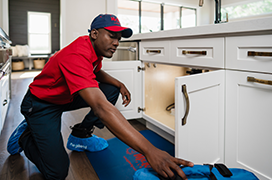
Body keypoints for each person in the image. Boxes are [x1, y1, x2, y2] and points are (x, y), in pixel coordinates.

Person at [7, 14, 194, 180]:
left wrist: (119, 84)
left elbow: (95, 72)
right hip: (41, 104)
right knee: (57, 173)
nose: (116, 43)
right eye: (112, 36)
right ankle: (25, 136)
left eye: (119, 39)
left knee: (110, 90)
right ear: (95, 33)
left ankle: (80, 136)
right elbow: (101, 108)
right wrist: (150, 151)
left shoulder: (94, 50)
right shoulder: (77, 54)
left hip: (64, 97)